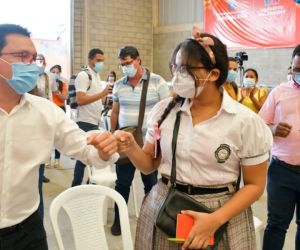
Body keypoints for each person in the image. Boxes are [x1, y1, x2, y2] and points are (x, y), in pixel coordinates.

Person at [114, 27, 273, 249]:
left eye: (186, 69)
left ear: (214, 74)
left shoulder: (245, 122)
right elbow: (149, 165)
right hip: (166, 206)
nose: (178, 75)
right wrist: (131, 147)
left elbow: (255, 185)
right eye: (175, 67)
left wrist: (214, 220)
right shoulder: (164, 111)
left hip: (220, 213)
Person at [0, 23, 118, 250]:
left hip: (28, 230)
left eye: (33, 58)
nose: (31, 65)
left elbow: (86, 149)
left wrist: (103, 148)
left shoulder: (45, 111)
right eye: (21, 56)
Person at [110, 46, 170, 235]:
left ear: (138, 60)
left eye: (128, 63)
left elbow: (167, 110)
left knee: (151, 185)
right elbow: (115, 111)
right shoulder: (119, 84)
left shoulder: (157, 82)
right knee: (122, 183)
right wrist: (112, 134)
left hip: (148, 145)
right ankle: (118, 220)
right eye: (122, 64)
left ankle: (152, 218)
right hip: (125, 144)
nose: (125, 67)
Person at [259, 45, 300, 250]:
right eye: (297, 69)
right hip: (282, 170)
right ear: (291, 68)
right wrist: (273, 128)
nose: (299, 74)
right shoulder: (278, 92)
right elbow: (259, 125)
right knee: (276, 224)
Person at [71, 48, 112, 187]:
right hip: (84, 121)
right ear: (90, 60)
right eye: (98, 61)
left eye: (102, 61)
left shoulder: (96, 75)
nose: (101, 63)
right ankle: (75, 186)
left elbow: (93, 98)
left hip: (94, 120)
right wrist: (102, 94)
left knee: (91, 157)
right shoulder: (84, 75)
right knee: (83, 157)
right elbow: (80, 100)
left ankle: (90, 184)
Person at [50, 64, 68, 168]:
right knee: (48, 134)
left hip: (60, 109)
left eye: (57, 72)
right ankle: (47, 158)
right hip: (49, 108)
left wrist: (56, 90)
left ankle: (57, 159)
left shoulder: (63, 84)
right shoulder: (46, 83)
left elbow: (63, 98)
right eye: (53, 72)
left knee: (58, 135)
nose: (55, 74)